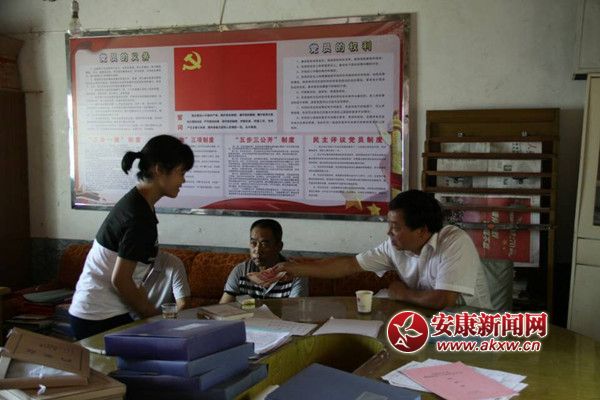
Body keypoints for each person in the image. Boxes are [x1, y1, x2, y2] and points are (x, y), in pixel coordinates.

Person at [270, 190, 492, 310]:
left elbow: (442, 300)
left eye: (396, 227)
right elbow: (349, 265)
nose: (389, 233)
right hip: (426, 318)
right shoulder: (395, 246)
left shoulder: (454, 241)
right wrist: (294, 268)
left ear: (422, 231)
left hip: (470, 326)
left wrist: (400, 292)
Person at [69, 135, 194, 339]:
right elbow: (121, 279)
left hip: (98, 313)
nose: (183, 180)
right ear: (159, 170)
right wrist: (154, 317)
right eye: (181, 172)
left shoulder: (139, 203)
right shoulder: (139, 216)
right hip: (99, 317)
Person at [219, 219, 308, 303]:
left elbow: (295, 310)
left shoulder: (295, 274)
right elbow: (224, 308)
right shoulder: (240, 271)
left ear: (279, 246)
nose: (257, 250)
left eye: (264, 244)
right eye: (253, 243)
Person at [130, 251, 191, 319]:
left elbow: (183, 304)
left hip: (161, 322)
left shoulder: (173, 262)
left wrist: (164, 322)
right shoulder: (123, 264)